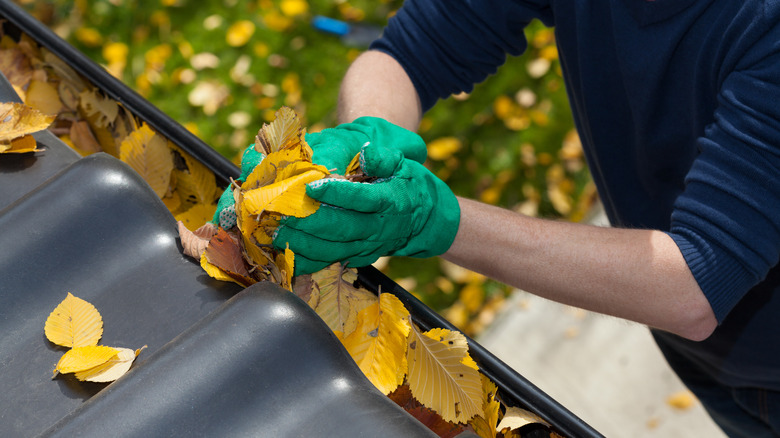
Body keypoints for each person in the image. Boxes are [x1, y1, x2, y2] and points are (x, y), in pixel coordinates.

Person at [216, 1, 780, 435]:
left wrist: (435, 219)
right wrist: (366, 145)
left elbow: (694, 281)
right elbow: (409, 52)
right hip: (713, 361)